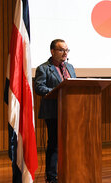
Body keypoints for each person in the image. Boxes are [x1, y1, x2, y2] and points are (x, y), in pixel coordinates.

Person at [34, 39, 76, 183]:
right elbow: (39, 88)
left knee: (70, 143)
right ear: (52, 51)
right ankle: (52, 177)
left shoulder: (70, 67)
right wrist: (57, 91)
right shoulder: (43, 68)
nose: (65, 53)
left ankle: (68, 171)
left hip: (70, 111)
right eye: (61, 50)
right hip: (53, 112)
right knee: (54, 144)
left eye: (67, 50)